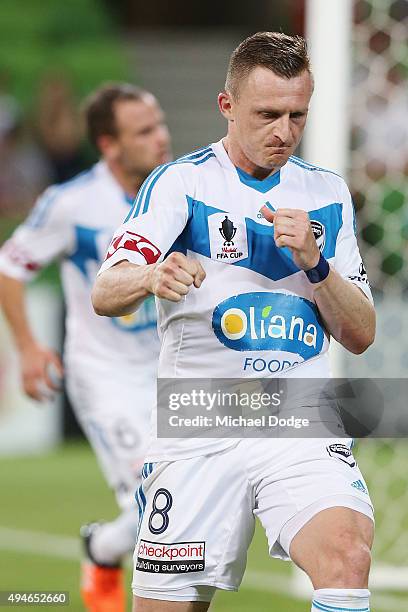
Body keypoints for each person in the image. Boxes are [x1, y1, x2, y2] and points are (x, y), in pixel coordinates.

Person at [92, 33, 376, 612]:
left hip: (299, 420)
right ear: (227, 107)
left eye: (298, 115)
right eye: (267, 114)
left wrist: (316, 266)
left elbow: (361, 334)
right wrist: (149, 277)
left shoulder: (327, 192)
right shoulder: (182, 183)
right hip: (198, 425)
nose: (284, 131)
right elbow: (106, 292)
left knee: (346, 555)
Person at [0, 82, 171, 612]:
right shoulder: (72, 204)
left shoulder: (180, 190)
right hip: (107, 375)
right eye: (144, 131)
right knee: (164, 508)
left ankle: (101, 546)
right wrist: (28, 348)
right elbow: (10, 266)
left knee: (201, 496)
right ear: (109, 145)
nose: (162, 137)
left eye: (161, 123)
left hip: (174, 368)